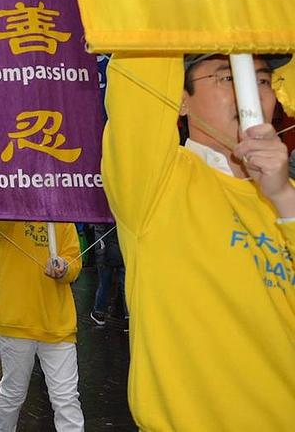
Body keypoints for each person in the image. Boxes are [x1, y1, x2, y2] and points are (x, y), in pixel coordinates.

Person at [102, 53, 295, 430]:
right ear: (180, 97)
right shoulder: (156, 184)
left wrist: (282, 196)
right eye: (227, 78)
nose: (249, 96)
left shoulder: (288, 199)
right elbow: (142, 48)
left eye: (262, 81)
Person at [0, 212, 85, 432]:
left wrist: (64, 266)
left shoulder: (61, 214)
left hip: (58, 323)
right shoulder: (3, 205)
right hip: (15, 322)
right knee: (12, 393)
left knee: (66, 398)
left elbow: (74, 261)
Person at [89, 223, 125, 327]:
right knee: (126, 285)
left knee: (104, 283)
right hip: (123, 251)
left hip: (106, 252)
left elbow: (99, 235)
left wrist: (100, 254)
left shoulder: (103, 213)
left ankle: (99, 312)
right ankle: (129, 316)